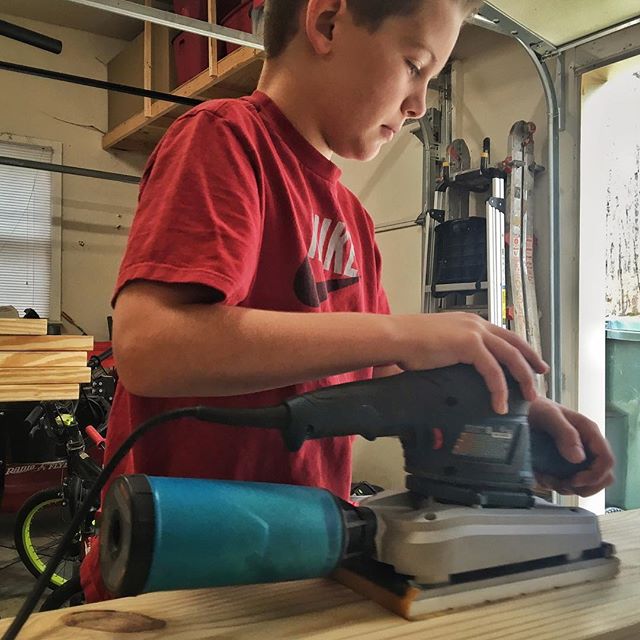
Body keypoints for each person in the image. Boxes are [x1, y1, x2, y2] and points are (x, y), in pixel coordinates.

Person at [80, 0, 614, 602]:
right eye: (414, 65)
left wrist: (504, 417)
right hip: (175, 570)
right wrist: (404, 333)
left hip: (296, 565)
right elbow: (154, 349)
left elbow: (384, 378)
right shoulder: (224, 140)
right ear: (328, 23)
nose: (417, 105)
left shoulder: (353, 219)